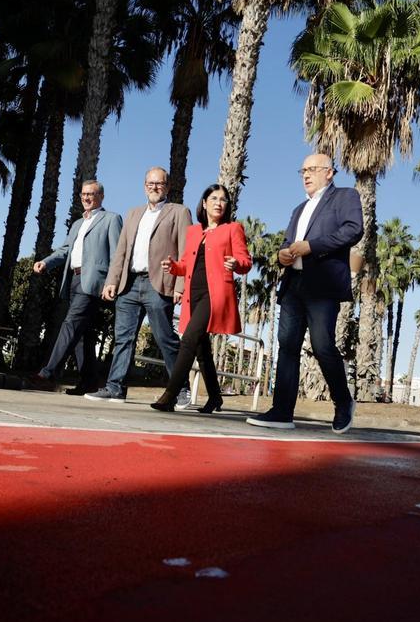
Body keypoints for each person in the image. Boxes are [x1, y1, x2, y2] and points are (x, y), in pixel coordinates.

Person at [246, 153, 362, 433]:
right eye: (303, 171)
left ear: (329, 172)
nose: (306, 175)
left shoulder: (345, 196)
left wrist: (313, 246)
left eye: (312, 170)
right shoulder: (299, 208)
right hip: (293, 285)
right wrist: (282, 254)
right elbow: (287, 242)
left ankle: (343, 401)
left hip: (322, 285)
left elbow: (353, 230)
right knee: (287, 346)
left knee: (323, 345)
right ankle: (282, 412)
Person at [86, 167, 193, 407]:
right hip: (129, 283)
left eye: (160, 184)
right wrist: (112, 280)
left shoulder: (179, 212)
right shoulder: (133, 214)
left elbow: (187, 251)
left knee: (165, 338)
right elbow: (121, 251)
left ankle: (181, 388)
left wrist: (180, 284)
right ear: (145, 186)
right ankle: (115, 388)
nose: (155, 188)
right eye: (150, 184)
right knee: (123, 337)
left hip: (159, 284)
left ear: (167, 187)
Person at [150, 184, 252, 413]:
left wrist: (236, 263)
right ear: (204, 203)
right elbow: (187, 263)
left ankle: (170, 395)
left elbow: (246, 261)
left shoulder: (233, 229)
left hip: (214, 295)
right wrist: (174, 267)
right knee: (201, 349)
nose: (219, 202)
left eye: (223, 199)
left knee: (188, 339)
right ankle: (215, 397)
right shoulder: (195, 231)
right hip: (192, 294)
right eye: (214, 198)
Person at [28, 180, 122, 394]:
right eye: (83, 195)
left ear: (101, 196)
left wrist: (112, 282)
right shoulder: (77, 224)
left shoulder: (111, 219)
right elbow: (65, 250)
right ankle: (89, 381)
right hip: (73, 280)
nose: (86, 198)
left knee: (71, 324)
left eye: (91, 194)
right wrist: (46, 262)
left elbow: (118, 254)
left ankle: (48, 373)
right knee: (82, 333)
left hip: (93, 282)